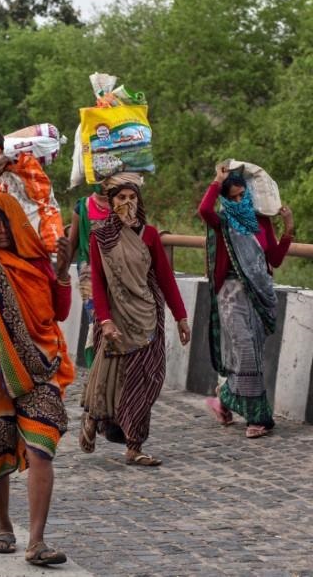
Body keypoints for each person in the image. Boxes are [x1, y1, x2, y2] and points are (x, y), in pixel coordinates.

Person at [0, 154, 74, 567]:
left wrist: (62, 273)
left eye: (4, 221)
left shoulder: (37, 261)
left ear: (17, 222)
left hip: (39, 362)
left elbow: (59, 312)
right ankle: (4, 525)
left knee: (42, 447)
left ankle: (36, 541)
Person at [79, 173, 191, 465]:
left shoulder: (150, 234)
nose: (127, 203)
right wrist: (104, 320)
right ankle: (120, 436)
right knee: (113, 379)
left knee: (149, 378)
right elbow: (99, 283)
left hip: (147, 316)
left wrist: (180, 316)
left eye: (132, 197)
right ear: (111, 202)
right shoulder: (100, 236)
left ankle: (130, 439)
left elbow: (165, 278)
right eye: (121, 198)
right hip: (116, 318)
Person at [199, 165, 294, 438]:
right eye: (234, 197)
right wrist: (216, 181)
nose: (240, 201)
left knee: (251, 354)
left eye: (243, 196)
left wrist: (288, 228)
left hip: (259, 295)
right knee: (245, 351)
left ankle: (224, 397)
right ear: (225, 199)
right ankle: (259, 418)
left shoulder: (260, 222)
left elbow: (273, 259)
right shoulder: (223, 221)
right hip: (231, 293)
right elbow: (204, 210)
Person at [68, 183, 111, 367]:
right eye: (101, 178)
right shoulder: (82, 207)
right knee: (98, 321)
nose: (105, 183)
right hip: (89, 273)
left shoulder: (123, 204)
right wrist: (60, 276)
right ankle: (97, 366)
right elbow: (72, 243)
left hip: (117, 271)